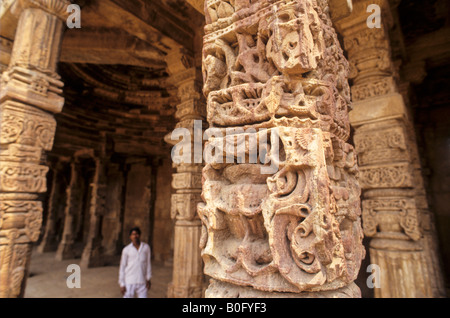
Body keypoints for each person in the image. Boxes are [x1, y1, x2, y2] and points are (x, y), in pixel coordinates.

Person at [118, 227, 152, 298]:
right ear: (130, 237)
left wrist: (148, 278)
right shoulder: (126, 250)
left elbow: (148, 264)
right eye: (133, 234)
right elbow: (122, 266)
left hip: (142, 280)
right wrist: (122, 283)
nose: (135, 236)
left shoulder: (146, 248)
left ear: (140, 235)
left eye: (137, 234)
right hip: (129, 280)